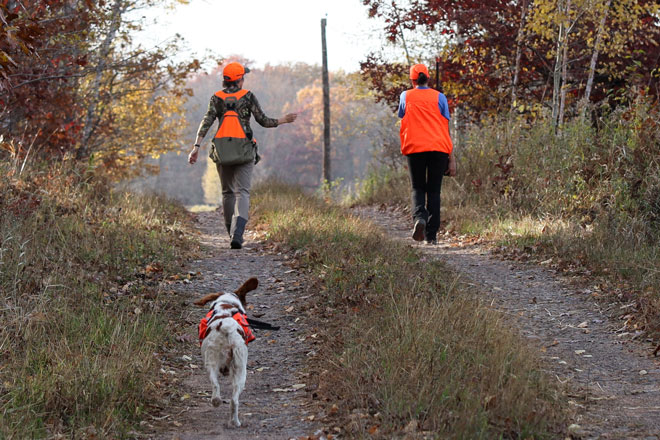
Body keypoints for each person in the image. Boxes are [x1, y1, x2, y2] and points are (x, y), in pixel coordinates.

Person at [188, 62, 297, 249]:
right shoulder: (248, 96)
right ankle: (238, 234)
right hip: (244, 149)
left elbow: (206, 122)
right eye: (243, 77)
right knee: (243, 192)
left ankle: (230, 231)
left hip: (222, 150)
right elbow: (263, 121)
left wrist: (196, 147)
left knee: (227, 192)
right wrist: (284, 120)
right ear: (240, 80)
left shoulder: (216, 98)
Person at [398, 63, 456, 245]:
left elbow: (402, 115)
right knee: (434, 190)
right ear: (428, 78)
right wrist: (451, 158)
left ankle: (419, 218)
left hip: (415, 148)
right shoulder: (440, 97)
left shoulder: (405, 96)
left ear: (412, 79)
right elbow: (445, 127)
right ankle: (431, 235)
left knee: (418, 187)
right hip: (439, 148)